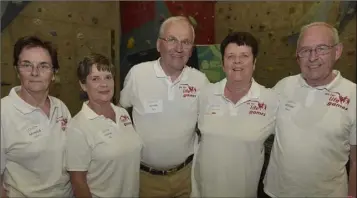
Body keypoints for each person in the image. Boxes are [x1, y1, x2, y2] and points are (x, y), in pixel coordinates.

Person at [119, 16, 209, 197]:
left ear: (191, 50)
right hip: (147, 179)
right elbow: (121, 113)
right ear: (159, 44)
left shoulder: (200, 81)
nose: (179, 48)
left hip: (186, 177)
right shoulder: (138, 75)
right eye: (172, 40)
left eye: (186, 42)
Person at [264, 22, 356, 198]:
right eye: (305, 51)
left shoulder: (353, 96)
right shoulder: (283, 87)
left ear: (337, 51)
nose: (312, 57)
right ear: (297, 56)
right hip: (276, 193)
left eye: (321, 48)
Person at [190, 32, 279, 197]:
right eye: (231, 56)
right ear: (223, 63)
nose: (237, 61)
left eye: (244, 56)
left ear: (254, 63)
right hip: (204, 192)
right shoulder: (205, 95)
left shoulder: (271, 100)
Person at [0, 36, 72, 197]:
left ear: (53, 73)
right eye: (27, 65)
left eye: (43, 66)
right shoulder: (3, 113)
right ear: (17, 71)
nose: (34, 72)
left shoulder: (60, 107)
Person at [65, 53, 143, 197]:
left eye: (108, 77)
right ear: (83, 85)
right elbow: (78, 181)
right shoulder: (77, 127)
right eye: (95, 79)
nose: (104, 84)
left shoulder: (122, 114)